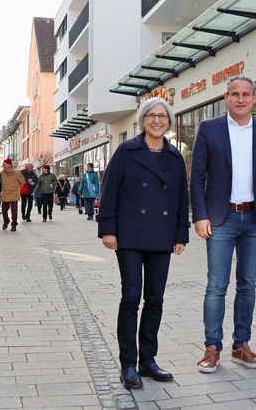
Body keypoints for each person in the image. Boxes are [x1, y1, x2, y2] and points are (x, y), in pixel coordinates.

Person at [190, 75, 256, 374]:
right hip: (221, 219)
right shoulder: (209, 130)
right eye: (235, 94)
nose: (241, 99)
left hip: (255, 220)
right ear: (226, 97)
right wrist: (200, 215)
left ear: (254, 99)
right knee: (216, 286)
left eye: (246, 94)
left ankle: (240, 345)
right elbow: (196, 177)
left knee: (248, 285)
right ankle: (212, 348)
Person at [97, 97, 189, 389]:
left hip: (162, 236)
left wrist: (180, 234)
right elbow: (110, 190)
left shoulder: (175, 157)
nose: (157, 120)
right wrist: (107, 229)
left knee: (156, 299)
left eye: (163, 116)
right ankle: (128, 363)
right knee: (131, 298)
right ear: (142, 120)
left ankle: (147, 360)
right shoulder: (127, 150)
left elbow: (180, 199)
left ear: (170, 121)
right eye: (151, 115)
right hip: (130, 235)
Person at [0, 158, 25, 232]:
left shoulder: (16, 173)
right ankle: (6, 221)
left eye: (4, 164)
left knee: (14, 210)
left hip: (14, 194)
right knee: (4, 210)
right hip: (5, 194)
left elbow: (22, 182)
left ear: (9, 165)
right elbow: (1, 183)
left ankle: (14, 224)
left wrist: (17, 189)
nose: (2, 166)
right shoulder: (1, 173)